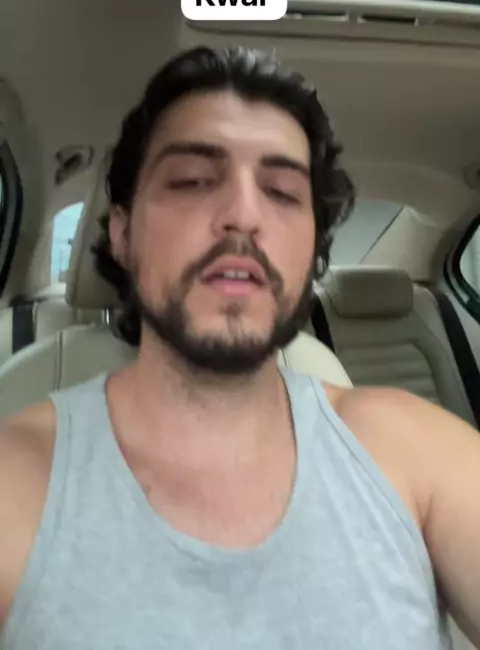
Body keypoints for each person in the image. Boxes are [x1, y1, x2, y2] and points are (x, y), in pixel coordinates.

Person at [0, 46, 478, 650]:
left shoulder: (415, 450)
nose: (244, 214)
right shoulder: (17, 482)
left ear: (313, 248)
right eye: (193, 181)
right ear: (122, 233)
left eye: (282, 192)